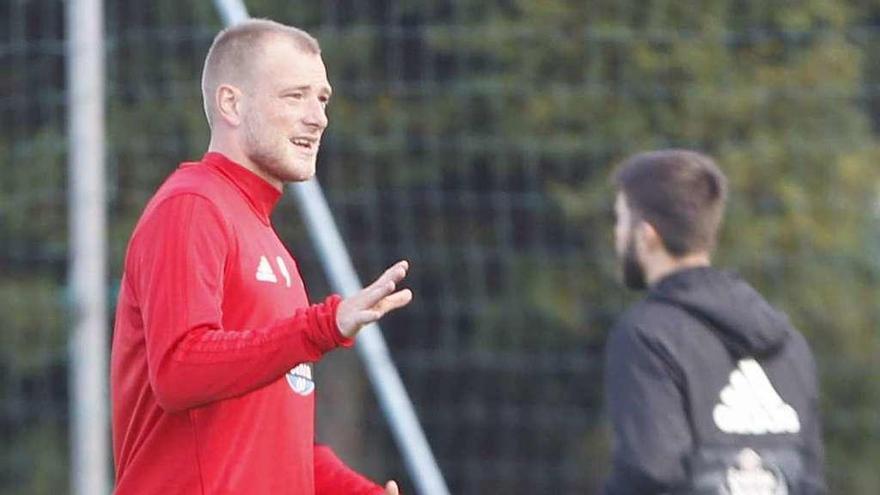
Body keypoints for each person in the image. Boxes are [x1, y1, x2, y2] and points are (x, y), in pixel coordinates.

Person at [111, 19, 409, 494]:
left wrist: (354, 492)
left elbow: (266, 441)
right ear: (231, 102)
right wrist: (321, 327)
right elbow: (179, 371)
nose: (318, 117)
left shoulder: (265, 238)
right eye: (295, 96)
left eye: (322, 99)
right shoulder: (191, 208)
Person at [603, 149, 825, 494]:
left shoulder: (646, 335)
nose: (616, 237)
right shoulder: (788, 340)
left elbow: (650, 471)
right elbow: (810, 479)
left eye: (620, 221)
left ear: (646, 235)